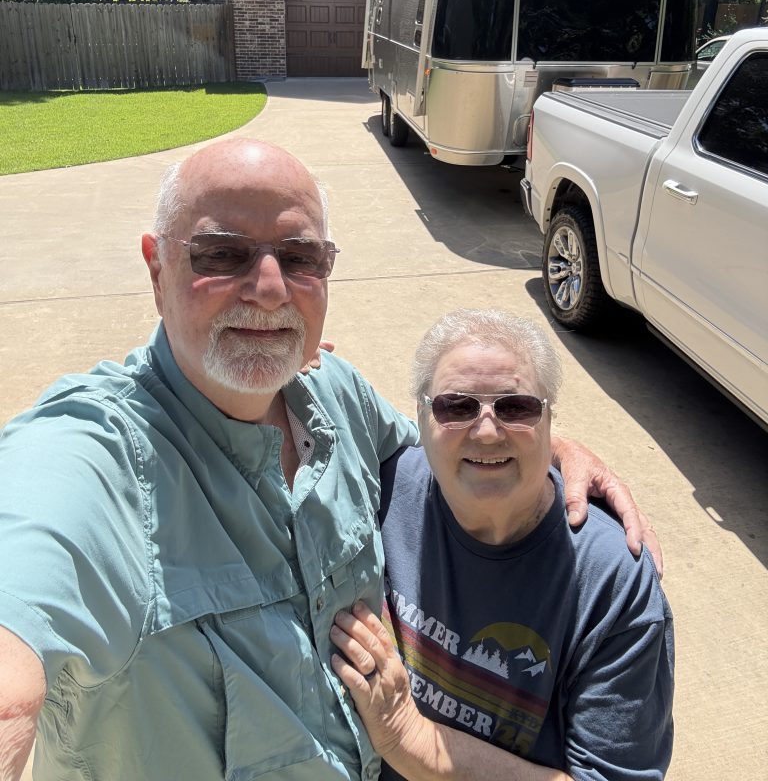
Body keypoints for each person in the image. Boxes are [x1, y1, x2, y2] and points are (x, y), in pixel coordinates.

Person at [0, 140, 659, 781]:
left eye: (300, 258)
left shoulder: (337, 395)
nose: (268, 288)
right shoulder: (88, 457)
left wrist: (541, 442)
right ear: (156, 269)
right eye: (222, 253)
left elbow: (453, 443)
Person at [331, 309, 673, 781]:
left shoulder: (613, 584)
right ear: (420, 418)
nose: (487, 431)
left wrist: (409, 738)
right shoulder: (381, 485)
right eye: (456, 407)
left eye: (516, 408)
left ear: (549, 419)